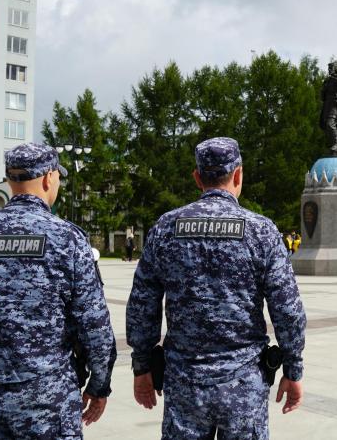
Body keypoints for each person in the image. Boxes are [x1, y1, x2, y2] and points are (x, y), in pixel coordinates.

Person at [0, 143, 116, 438]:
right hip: (49, 402)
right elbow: (94, 325)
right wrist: (99, 384)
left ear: (9, 181)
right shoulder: (67, 239)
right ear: (48, 178)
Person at [126, 137, 306, 438]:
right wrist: (293, 368)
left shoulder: (166, 228)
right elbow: (287, 310)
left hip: (185, 382)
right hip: (244, 382)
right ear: (238, 175)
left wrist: (141, 366)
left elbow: (142, 304)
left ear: (198, 178)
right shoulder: (261, 231)